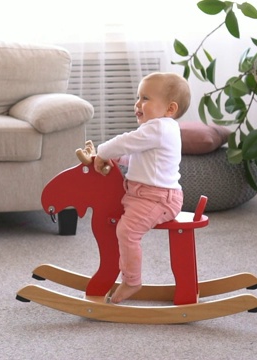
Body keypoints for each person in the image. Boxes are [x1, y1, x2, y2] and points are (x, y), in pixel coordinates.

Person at [93, 72, 190, 304]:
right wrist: (118, 160)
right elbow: (140, 158)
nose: (138, 104)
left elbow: (125, 142)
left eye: (145, 98)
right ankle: (114, 273)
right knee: (114, 220)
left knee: (127, 231)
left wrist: (103, 151)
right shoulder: (162, 129)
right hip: (143, 195)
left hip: (157, 199)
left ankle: (132, 281)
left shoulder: (158, 127)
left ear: (170, 108)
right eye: (138, 97)